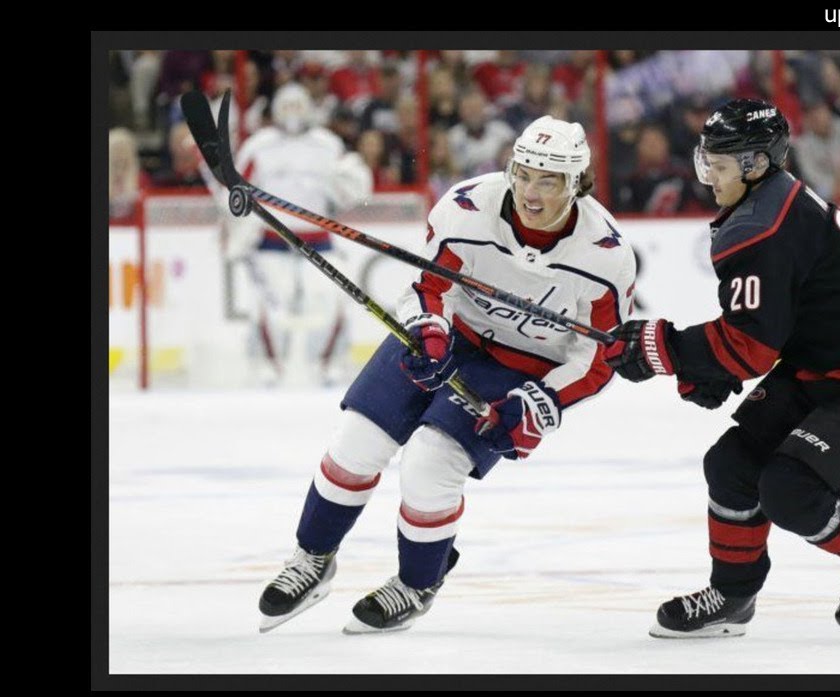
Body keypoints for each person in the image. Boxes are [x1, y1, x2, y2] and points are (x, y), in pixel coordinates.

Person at [258, 115, 636, 634]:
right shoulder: (468, 209)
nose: (530, 191)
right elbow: (431, 286)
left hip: (518, 365)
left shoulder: (605, 257)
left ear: (577, 185)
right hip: (452, 332)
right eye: (523, 173)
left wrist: (539, 405)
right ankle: (313, 559)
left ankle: (416, 584)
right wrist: (429, 329)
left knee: (430, 464)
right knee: (356, 441)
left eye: (548, 180)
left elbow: (596, 356)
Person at [606, 98, 840, 642]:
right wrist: (704, 367)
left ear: (757, 164)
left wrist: (660, 348)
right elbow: (766, 328)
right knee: (732, 465)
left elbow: (748, 348)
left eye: (719, 165)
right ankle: (734, 595)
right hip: (827, 359)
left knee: (789, 486)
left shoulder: (764, 227)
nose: (707, 176)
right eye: (706, 161)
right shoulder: (768, 204)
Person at [229, 82, 373, 386]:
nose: (293, 113)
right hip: (271, 242)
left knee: (332, 300)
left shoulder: (327, 144)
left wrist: (352, 184)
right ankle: (267, 367)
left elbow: (349, 188)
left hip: (318, 240)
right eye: (287, 105)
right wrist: (236, 226)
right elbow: (235, 190)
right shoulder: (259, 145)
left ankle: (327, 366)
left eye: (298, 105)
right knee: (270, 306)